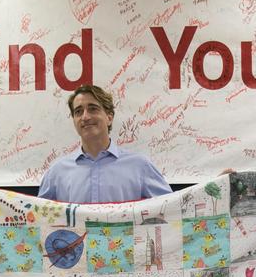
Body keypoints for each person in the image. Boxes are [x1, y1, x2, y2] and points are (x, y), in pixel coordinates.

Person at [36, 84, 172, 203]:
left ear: (109, 117)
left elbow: (171, 210)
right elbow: (38, 221)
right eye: (78, 112)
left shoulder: (140, 166)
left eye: (93, 109)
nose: (85, 117)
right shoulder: (56, 172)